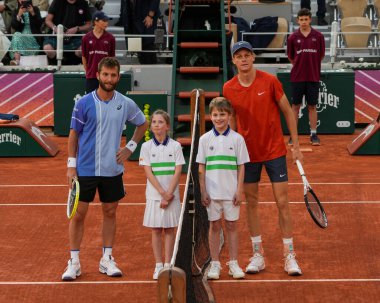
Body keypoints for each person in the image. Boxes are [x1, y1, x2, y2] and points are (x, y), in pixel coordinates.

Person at [62, 57, 149, 281]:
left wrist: (130, 147)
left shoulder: (125, 103)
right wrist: (71, 166)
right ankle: (74, 262)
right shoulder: (83, 103)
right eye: (105, 75)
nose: (109, 79)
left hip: (112, 169)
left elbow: (142, 123)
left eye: (113, 75)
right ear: (98, 75)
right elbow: (73, 136)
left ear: (118, 77)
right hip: (86, 169)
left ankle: (107, 259)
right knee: (78, 215)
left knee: (110, 212)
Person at [223, 41, 304, 276]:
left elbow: (288, 111)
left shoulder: (270, 81)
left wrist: (295, 144)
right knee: (251, 202)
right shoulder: (228, 88)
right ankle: (258, 254)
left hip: (274, 151)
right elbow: (232, 121)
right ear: (234, 61)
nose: (244, 59)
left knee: (282, 202)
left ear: (253, 57)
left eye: (248, 55)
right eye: (239, 56)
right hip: (248, 154)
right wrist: (233, 151)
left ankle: (289, 254)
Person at [196, 97, 250, 280]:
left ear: (229, 116)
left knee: (232, 225)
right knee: (214, 225)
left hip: (231, 193)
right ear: (210, 116)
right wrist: (203, 191)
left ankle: (233, 263)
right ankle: (215, 263)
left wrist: (239, 190)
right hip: (211, 194)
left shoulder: (237, 139)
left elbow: (241, 166)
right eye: (215, 115)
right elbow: (201, 167)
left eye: (222, 114)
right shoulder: (204, 139)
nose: (218, 118)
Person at [139, 110, 185, 280]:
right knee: (157, 229)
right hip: (154, 195)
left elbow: (178, 170)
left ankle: (168, 263)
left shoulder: (176, 146)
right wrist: (162, 193)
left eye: (160, 122)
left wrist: (169, 194)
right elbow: (148, 172)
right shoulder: (146, 147)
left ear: (167, 126)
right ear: (151, 127)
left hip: (172, 195)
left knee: (170, 229)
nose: (157, 125)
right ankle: (158, 265)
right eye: (154, 122)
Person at [287, 8, 325, 146]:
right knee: (295, 106)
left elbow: (321, 56)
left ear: (310, 19)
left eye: (306, 19)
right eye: (301, 19)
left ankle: (314, 134)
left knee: (312, 106)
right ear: (298, 20)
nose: (303, 22)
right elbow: (291, 57)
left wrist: (311, 65)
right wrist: (300, 65)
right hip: (297, 77)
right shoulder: (292, 37)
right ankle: (293, 135)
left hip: (313, 76)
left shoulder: (319, 36)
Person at [81, 11, 115, 93]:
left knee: (106, 101)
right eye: (104, 21)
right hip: (91, 75)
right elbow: (84, 57)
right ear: (95, 22)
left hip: (106, 76)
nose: (106, 23)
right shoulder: (86, 38)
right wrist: (88, 71)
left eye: (107, 21)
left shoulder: (111, 38)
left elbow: (112, 58)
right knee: (91, 101)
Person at [121, 0, 160, 64]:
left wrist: (150, 15)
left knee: (148, 48)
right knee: (135, 52)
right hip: (131, 22)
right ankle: (138, 69)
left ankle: (150, 71)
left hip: (146, 19)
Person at [9, 0, 42, 65]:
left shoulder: (35, 9)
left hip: (33, 37)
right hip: (21, 36)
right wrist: (19, 15)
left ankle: (16, 61)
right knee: (16, 34)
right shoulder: (16, 11)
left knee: (16, 36)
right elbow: (14, 26)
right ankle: (17, 61)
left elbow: (39, 25)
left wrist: (32, 13)